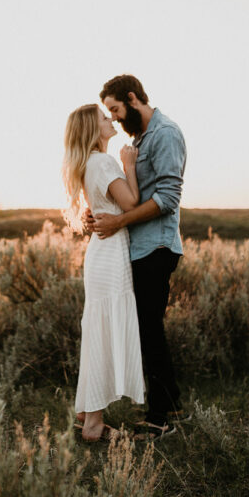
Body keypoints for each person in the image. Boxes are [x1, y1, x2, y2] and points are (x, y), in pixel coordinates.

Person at [90, 74, 187, 437]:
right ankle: (172, 406)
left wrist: (119, 221)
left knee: (149, 330)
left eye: (115, 109)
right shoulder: (138, 140)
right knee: (148, 327)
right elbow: (129, 194)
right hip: (140, 247)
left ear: (132, 98)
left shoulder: (165, 134)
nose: (113, 118)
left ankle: (159, 419)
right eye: (109, 114)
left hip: (157, 246)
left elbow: (167, 199)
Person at [63, 104, 145, 442]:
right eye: (103, 117)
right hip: (110, 255)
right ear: (93, 130)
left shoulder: (87, 165)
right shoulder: (105, 162)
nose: (110, 119)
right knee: (103, 332)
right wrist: (129, 166)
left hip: (101, 254)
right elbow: (131, 205)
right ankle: (94, 424)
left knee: (98, 330)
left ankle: (87, 413)